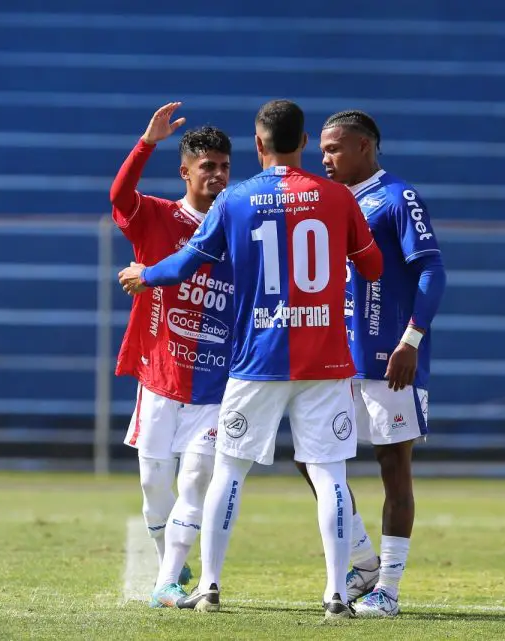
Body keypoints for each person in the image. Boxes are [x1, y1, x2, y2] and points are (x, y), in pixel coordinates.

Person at [118, 99, 383, 619]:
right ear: (305, 142)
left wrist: (143, 275)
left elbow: (188, 263)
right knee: (329, 472)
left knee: (229, 473)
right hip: (325, 362)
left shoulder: (235, 200)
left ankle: (211, 585)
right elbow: (371, 267)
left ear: (259, 145)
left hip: (256, 358)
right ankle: (335, 593)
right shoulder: (336, 197)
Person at [299, 110, 447, 617]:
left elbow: (431, 269)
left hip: (389, 359)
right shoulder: (333, 200)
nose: (325, 157)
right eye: (322, 149)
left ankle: (388, 589)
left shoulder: (397, 197)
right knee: (310, 457)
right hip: (337, 358)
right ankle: (362, 559)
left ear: (365, 147)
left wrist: (411, 340)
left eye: (334, 148)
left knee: (393, 466)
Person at [109, 101, 234, 608]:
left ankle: (166, 581)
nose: (219, 175)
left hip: (215, 383)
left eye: (225, 166)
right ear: (186, 171)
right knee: (153, 483)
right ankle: (173, 568)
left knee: (198, 476)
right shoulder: (158, 216)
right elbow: (119, 197)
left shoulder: (237, 223)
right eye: (208, 167)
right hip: (159, 376)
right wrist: (147, 142)